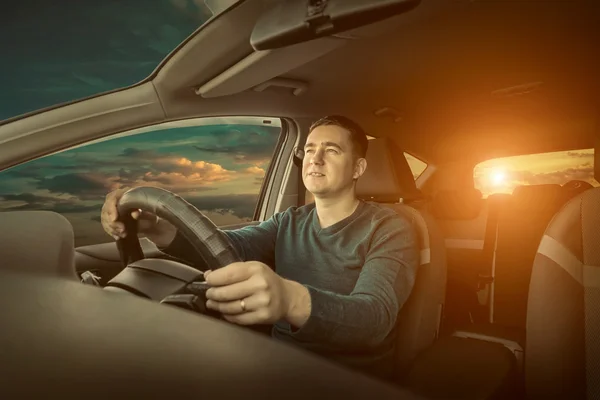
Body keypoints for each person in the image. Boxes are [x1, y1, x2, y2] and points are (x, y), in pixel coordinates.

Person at [101, 115, 419, 380]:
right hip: (276, 364)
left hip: (347, 380)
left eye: (332, 150)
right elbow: (228, 248)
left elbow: (374, 318)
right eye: (309, 150)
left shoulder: (391, 228)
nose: (315, 159)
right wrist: (155, 226)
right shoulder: (289, 221)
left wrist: (290, 299)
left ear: (358, 169)